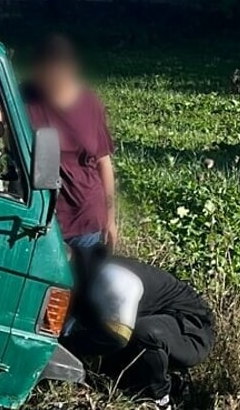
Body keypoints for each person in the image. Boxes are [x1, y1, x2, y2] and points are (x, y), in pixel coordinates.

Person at [65, 250, 215, 410]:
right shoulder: (83, 279)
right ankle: (172, 384)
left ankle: (160, 399)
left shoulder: (112, 278)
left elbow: (117, 337)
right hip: (151, 323)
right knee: (107, 375)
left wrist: (65, 347)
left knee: (144, 334)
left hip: (191, 331)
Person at [24, 34, 119, 250]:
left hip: (87, 222)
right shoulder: (27, 97)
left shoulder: (90, 104)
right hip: (43, 221)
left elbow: (104, 163)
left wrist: (110, 218)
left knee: (86, 283)